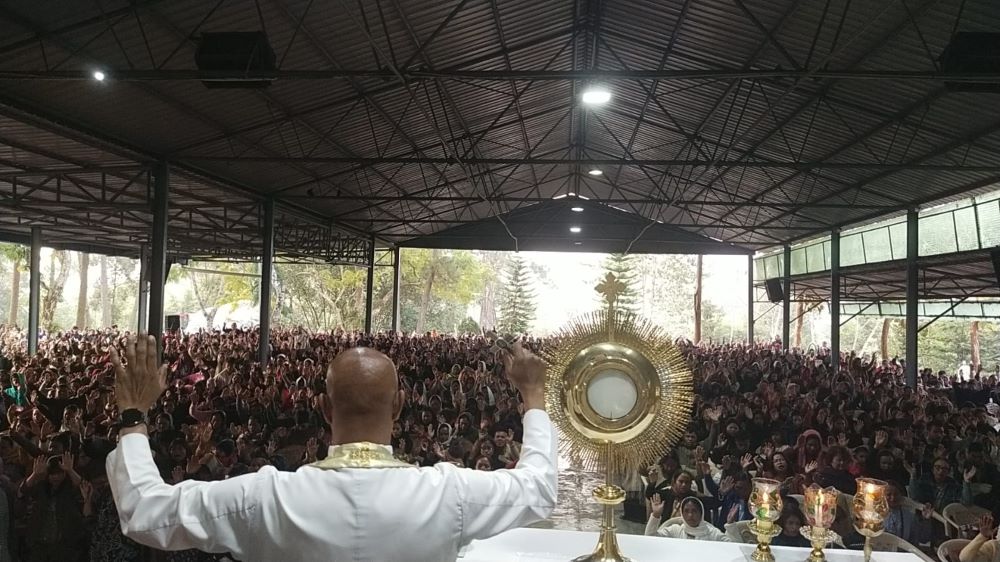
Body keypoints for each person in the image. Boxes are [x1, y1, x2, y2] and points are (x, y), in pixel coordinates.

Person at [106, 335, 557, 562]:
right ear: (400, 406)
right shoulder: (449, 494)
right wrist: (533, 396)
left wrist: (133, 414)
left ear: (321, 407)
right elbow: (538, 490)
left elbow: (147, 510)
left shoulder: (266, 499)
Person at [645, 496, 728, 541]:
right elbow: (650, 538)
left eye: (694, 511)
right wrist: (656, 515)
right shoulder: (675, 531)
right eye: (686, 511)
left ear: (701, 513)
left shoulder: (712, 533)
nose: (690, 515)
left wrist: (731, 525)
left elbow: (733, 547)